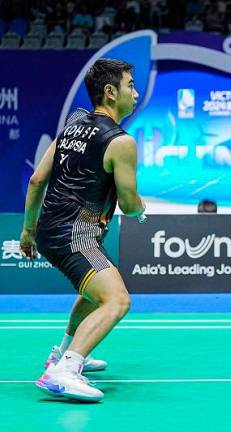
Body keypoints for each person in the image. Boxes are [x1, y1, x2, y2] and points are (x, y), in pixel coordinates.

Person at [20, 58, 146, 402]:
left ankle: (63, 353)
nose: (135, 93)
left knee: (94, 293)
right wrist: (140, 206)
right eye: (130, 85)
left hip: (50, 228)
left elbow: (37, 179)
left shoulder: (73, 124)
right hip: (75, 235)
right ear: (110, 92)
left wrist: (28, 231)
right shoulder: (121, 142)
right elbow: (131, 205)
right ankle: (64, 371)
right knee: (117, 300)